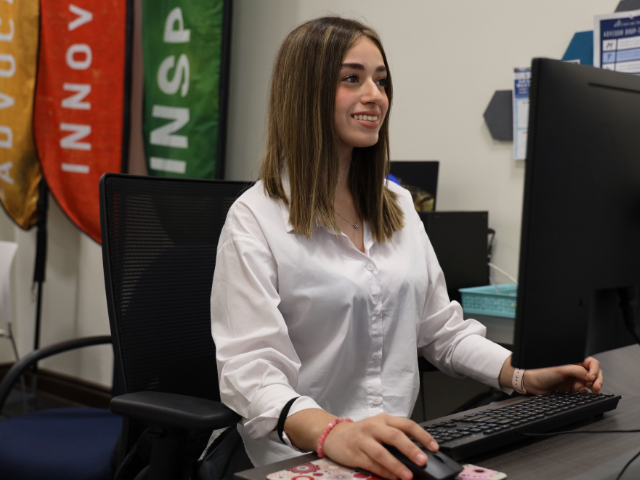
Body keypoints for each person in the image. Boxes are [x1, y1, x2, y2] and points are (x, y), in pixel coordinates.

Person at [210, 16, 604, 480]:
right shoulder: (255, 217)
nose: (375, 95)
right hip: (302, 456)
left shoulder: (395, 203)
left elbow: (442, 332)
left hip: (398, 451)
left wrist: (523, 373)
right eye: (351, 79)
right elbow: (252, 372)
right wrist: (331, 431)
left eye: (381, 80)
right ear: (305, 93)